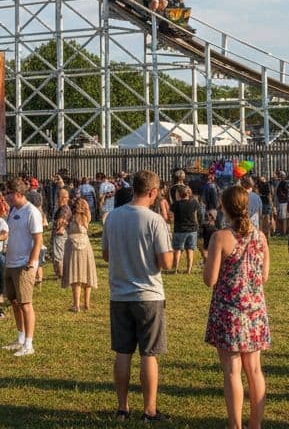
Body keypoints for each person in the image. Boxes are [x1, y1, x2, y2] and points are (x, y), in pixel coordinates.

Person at [102, 169, 174, 422]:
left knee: (123, 353)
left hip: (119, 294)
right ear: (152, 192)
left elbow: (107, 255)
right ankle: (149, 410)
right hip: (148, 294)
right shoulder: (155, 220)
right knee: (148, 354)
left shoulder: (112, 217)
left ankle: (122, 408)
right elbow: (165, 262)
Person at [204, 185, 271, 429]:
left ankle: (235, 425)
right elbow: (263, 276)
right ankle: (256, 424)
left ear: (224, 206)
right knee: (254, 369)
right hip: (254, 310)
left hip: (229, 310)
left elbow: (209, 279)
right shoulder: (260, 237)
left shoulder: (220, 237)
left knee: (232, 371)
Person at [2, 177, 44, 357]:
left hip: (24, 265)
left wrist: (31, 264)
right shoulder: (13, 211)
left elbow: (38, 239)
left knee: (26, 304)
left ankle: (29, 343)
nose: (6, 197)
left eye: (9, 194)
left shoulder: (31, 212)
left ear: (18, 194)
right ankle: (20, 337)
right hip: (10, 263)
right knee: (14, 302)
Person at [63, 197, 99, 311]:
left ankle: (76, 304)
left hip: (73, 246)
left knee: (76, 276)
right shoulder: (87, 217)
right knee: (87, 274)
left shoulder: (71, 218)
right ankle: (87, 303)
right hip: (85, 246)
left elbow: (64, 228)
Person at [170, 184, 202, 273]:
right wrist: (197, 226)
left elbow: (171, 217)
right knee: (190, 249)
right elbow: (195, 216)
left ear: (179, 194)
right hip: (192, 230)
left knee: (178, 249)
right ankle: (188, 269)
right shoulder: (194, 202)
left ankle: (175, 269)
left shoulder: (175, 204)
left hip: (179, 230)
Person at [50, 188, 72, 281]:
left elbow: (62, 220)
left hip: (60, 235)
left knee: (58, 255)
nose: (57, 200)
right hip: (61, 234)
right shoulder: (64, 208)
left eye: (58, 197)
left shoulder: (64, 209)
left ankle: (61, 275)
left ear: (62, 198)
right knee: (61, 254)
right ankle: (62, 274)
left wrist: (60, 228)